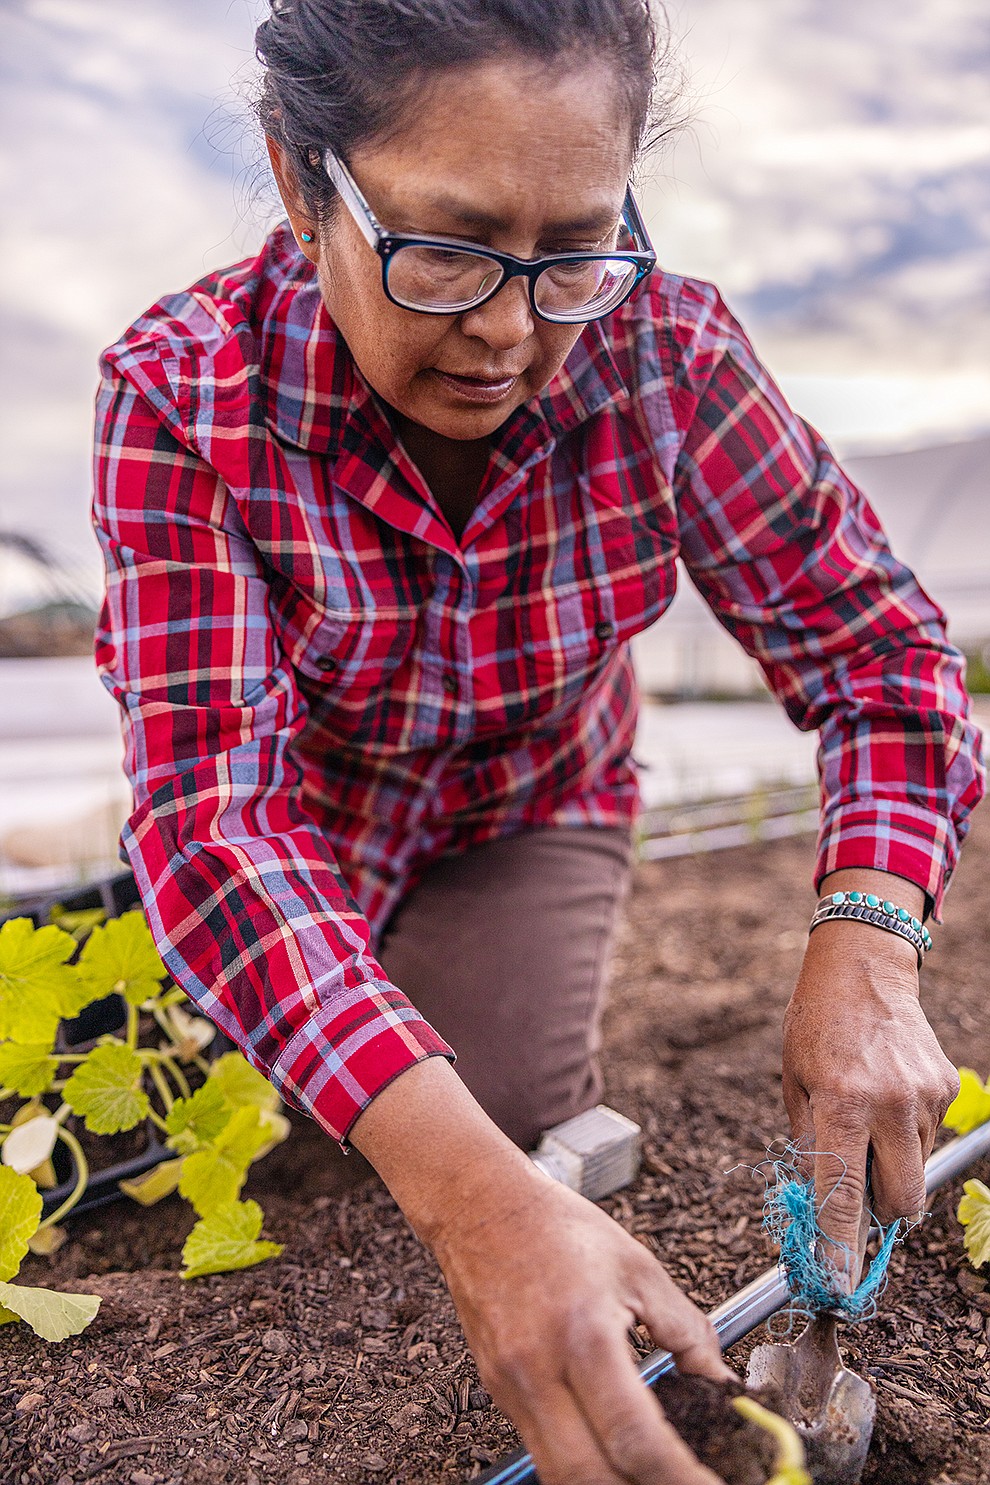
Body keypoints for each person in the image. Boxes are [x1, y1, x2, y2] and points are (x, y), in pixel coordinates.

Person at [91, 2, 984, 1480]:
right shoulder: (184, 391)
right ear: (303, 181)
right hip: (303, 817)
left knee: (493, 1105)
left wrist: (867, 940)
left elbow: (882, 658)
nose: (509, 328)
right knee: (339, 1110)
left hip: (530, 800)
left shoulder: (663, 357)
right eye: (444, 246)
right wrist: (475, 1209)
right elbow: (215, 818)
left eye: (575, 244)